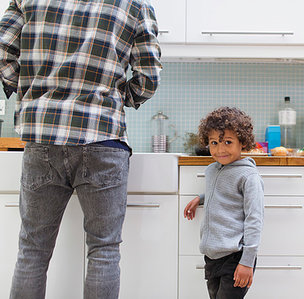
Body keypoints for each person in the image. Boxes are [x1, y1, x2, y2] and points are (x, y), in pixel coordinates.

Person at [0, 0, 161, 297]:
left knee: (32, 249)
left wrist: (27, 89)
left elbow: (3, 53)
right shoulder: (134, 5)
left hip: (42, 136)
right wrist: (116, 98)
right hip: (102, 137)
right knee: (104, 249)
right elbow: (148, 78)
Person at [184, 106, 264, 299]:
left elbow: (255, 220)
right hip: (212, 258)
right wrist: (200, 199)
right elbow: (220, 193)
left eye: (228, 142)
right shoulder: (212, 169)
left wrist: (247, 261)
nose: (220, 149)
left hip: (236, 257)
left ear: (242, 142)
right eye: (214, 143)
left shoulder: (248, 176)